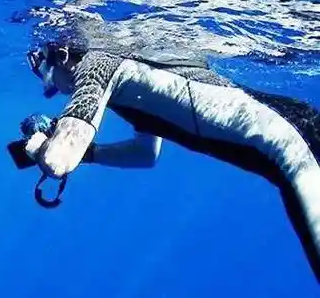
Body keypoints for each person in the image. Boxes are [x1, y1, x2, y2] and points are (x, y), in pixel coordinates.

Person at [17, 39, 320, 283]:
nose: (47, 83)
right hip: (297, 133)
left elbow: (57, 163)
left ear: (63, 54)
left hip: (294, 146)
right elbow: (145, 154)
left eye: (39, 64)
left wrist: (40, 145)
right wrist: (90, 153)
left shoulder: (97, 64)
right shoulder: (130, 73)